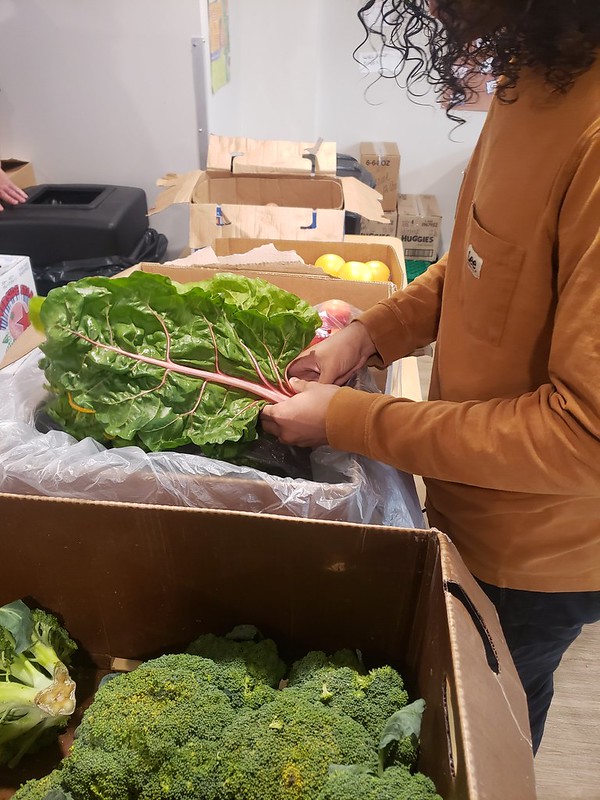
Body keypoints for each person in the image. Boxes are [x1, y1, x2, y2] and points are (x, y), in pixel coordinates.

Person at [261, 0, 600, 755]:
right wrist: (370, 335)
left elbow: (582, 436)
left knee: (486, 736)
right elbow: (482, 262)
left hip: (535, 557)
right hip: (463, 505)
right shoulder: (532, 73)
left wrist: (346, 419)